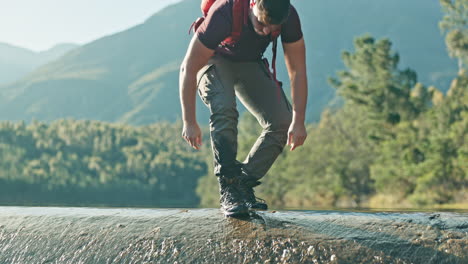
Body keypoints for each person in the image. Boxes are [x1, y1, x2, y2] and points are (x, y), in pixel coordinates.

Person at [179, 0, 308, 217]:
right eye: (261, 22)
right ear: (253, 3)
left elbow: (297, 71)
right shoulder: (225, 13)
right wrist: (189, 121)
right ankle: (229, 186)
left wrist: (299, 120)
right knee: (225, 109)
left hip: (249, 63)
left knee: (283, 122)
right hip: (214, 61)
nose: (266, 31)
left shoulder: (288, 17)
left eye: (272, 28)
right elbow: (188, 67)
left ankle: (242, 184)